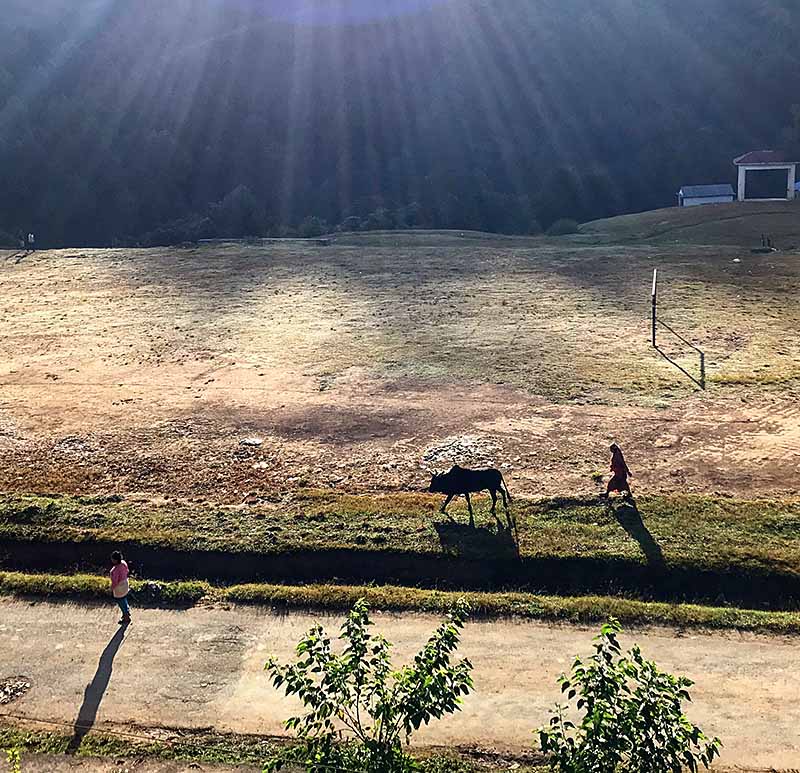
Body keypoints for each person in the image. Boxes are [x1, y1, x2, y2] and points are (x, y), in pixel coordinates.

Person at [110, 551, 131, 625]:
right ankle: (127, 611)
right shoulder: (123, 563)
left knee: (120, 601)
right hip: (125, 583)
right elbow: (127, 571)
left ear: (115, 560)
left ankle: (126, 617)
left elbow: (115, 582)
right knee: (124, 598)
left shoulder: (115, 570)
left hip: (119, 587)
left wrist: (111, 588)